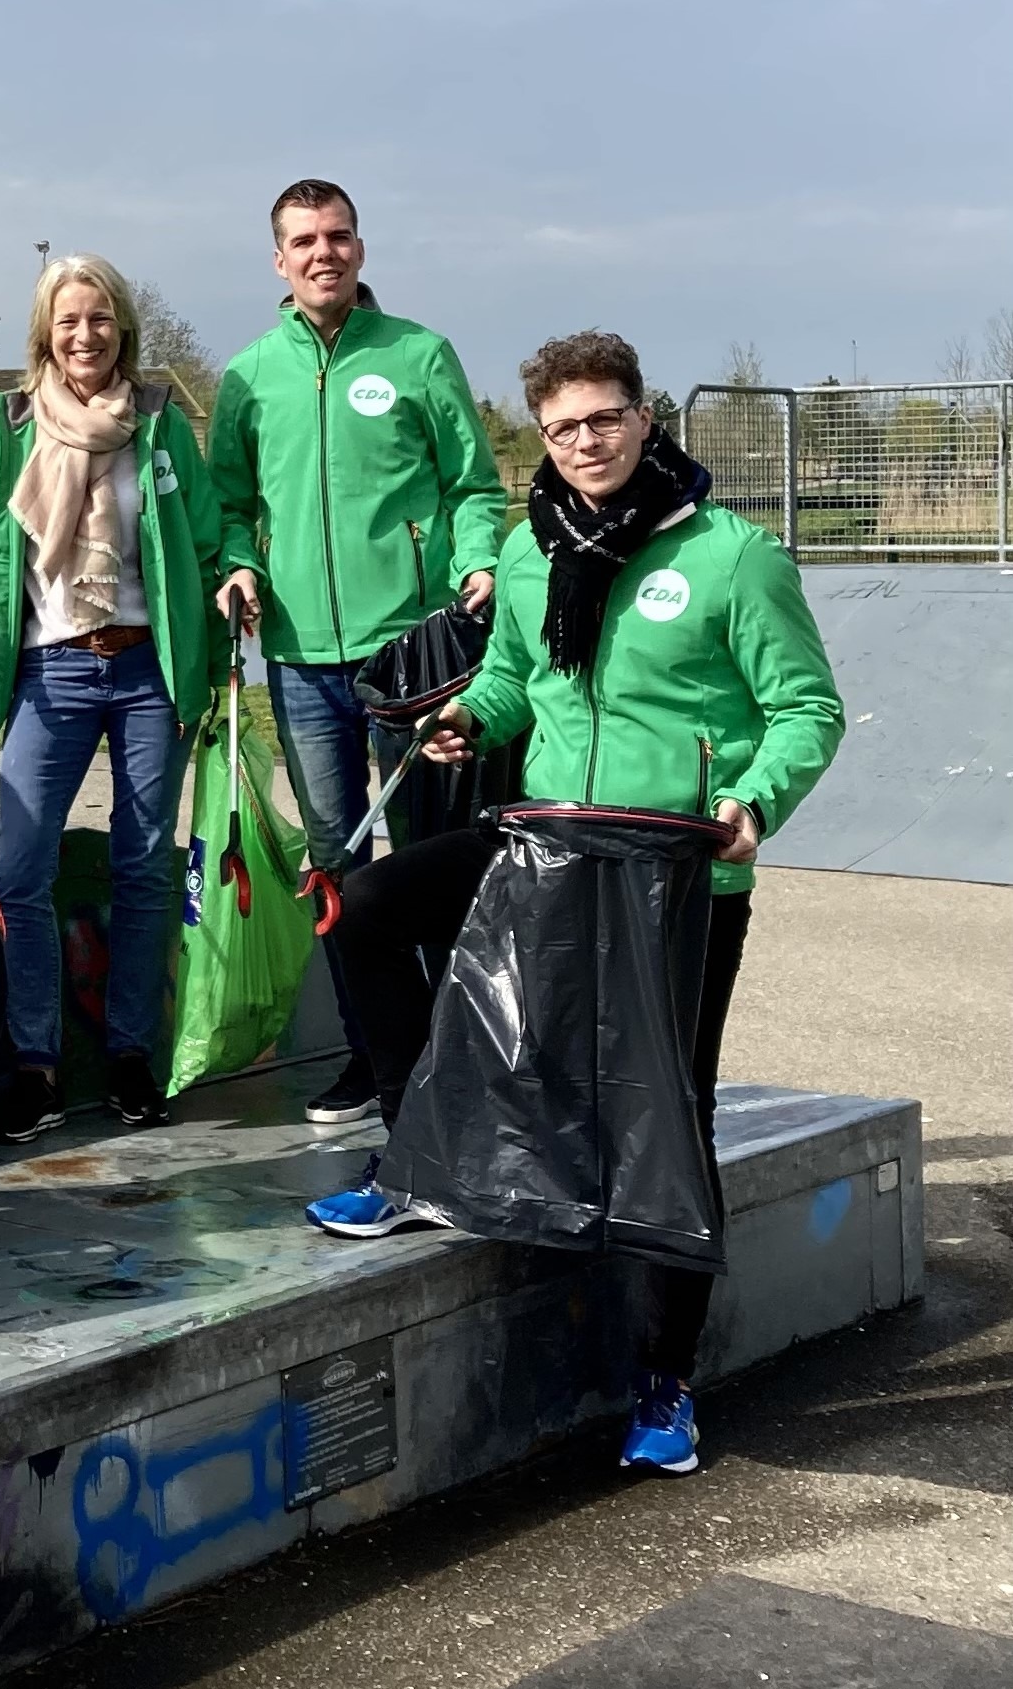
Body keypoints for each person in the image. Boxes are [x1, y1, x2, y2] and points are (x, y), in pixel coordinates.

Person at [304, 331, 845, 1474]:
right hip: (549, 844)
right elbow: (514, 679)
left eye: (604, 419)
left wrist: (754, 802)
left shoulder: (733, 556)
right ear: (540, 438)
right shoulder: (531, 546)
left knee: (668, 1111)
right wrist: (470, 722)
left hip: (681, 866)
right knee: (365, 906)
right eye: (563, 427)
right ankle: (417, 1154)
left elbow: (808, 709)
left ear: (644, 418)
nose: (586, 442)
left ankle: (664, 1379)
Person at [0, 255, 244, 1145]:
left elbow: (207, 535)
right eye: (68, 321)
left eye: (99, 318)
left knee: (143, 871)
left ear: (122, 327)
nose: (85, 335)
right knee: (21, 869)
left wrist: (229, 588)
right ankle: (37, 1066)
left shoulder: (161, 419)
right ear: (44, 333)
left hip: (148, 673)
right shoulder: (10, 418)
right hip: (51, 670)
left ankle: (131, 1056)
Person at [209, 180, 505, 1128]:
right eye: (303, 241)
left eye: (337, 237)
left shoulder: (418, 355)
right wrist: (242, 566)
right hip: (297, 661)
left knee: (424, 861)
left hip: (411, 660)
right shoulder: (250, 375)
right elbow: (228, 507)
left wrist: (478, 562)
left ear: (361, 249)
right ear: (278, 260)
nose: (322, 253)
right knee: (334, 861)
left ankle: (455, 1056)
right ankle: (374, 1055)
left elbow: (472, 486)